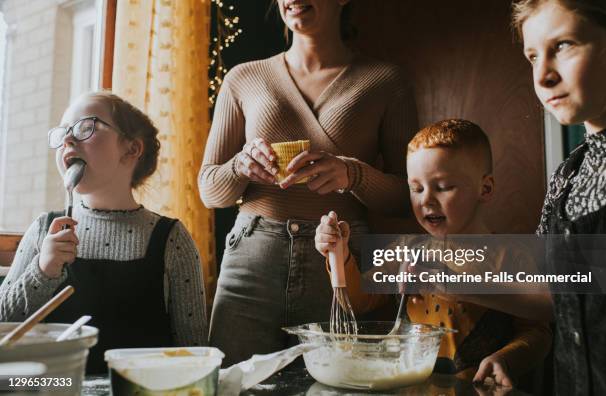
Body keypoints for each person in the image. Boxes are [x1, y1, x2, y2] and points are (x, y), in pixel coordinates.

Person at [198, 0, 417, 365]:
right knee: (233, 383)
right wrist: (240, 166)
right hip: (253, 260)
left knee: (338, 386)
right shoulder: (242, 78)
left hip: (341, 258)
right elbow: (209, 189)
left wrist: (353, 174)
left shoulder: (386, 81)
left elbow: (408, 196)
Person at [316, 119, 551, 387]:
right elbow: (357, 302)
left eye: (442, 187)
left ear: (485, 189)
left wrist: (506, 358)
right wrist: (339, 254)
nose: (425, 200)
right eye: (416, 189)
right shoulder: (406, 250)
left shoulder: (512, 256)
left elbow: (537, 333)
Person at [0, 92, 207, 374]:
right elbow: (4, 324)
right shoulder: (42, 230)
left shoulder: (172, 239)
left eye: (87, 127)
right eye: (63, 133)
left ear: (132, 149)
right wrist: (43, 270)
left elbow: (193, 353)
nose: (68, 140)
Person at [512, 0, 606, 394]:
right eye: (533, 56)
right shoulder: (568, 175)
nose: (543, 76)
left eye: (564, 45)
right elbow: (556, 293)